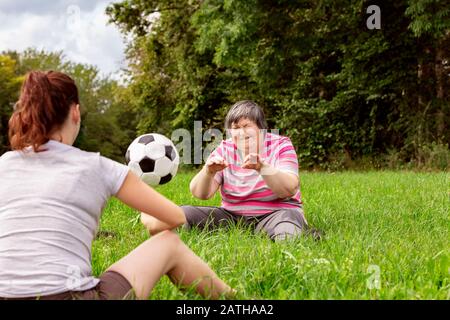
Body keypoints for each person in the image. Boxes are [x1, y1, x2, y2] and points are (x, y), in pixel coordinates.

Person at [0, 70, 233, 300]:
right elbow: (176, 218)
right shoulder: (97, 166)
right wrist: (145, 209)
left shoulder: (5, 163)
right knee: (169, 243)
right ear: (75, 113)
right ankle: (238, 303)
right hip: (68, 296)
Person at [142, 100, 321, 241]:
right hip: (232, 218)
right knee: (183, 214)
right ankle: (153, 221)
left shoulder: (281, 145)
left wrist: (262, 167)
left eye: (247, 126)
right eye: (235, 128)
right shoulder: (225, 148)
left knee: (287, 226)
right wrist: (208, 171)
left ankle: (298, 233)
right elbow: (200, 193)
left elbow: (289, 188)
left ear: (261, 128)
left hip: (276, 214)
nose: (241, 133)